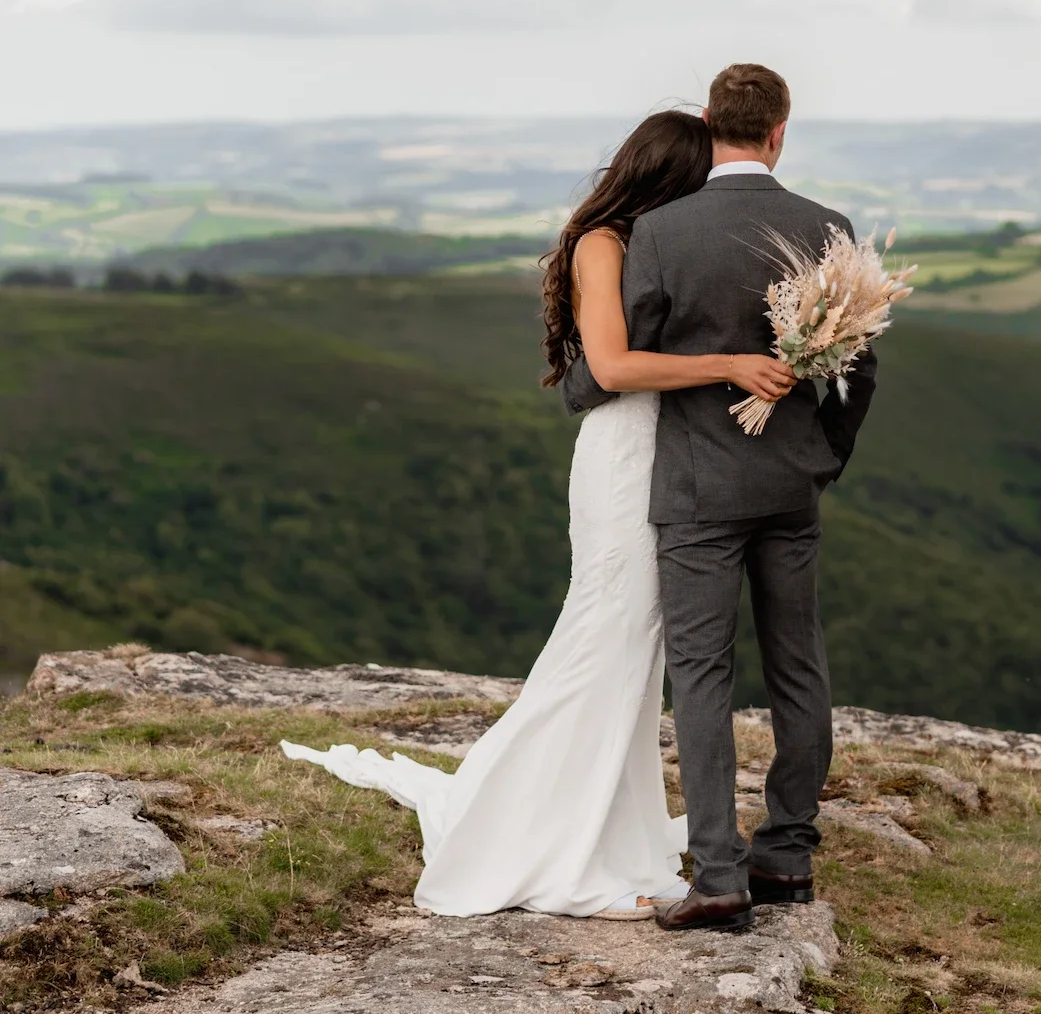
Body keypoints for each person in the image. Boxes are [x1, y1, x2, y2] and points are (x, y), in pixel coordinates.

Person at [280, 108, 796, 920]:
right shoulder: (603, 243)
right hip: (624, 458)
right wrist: (729, 362)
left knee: (634, 646)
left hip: (658, 452)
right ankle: (542, 831)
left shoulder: (646, 240)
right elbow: (614, 363)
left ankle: (603, 822)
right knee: (608, 634)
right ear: (669, 176)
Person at [562, 63, 878, 934]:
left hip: (696, 488)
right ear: (781, 130)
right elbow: (858, 369)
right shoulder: (829, 228)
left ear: (710, 122)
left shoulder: (659, 233)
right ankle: (788, 855)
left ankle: (718, 872)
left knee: (702, 673)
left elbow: (628, 364)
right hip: (788, 488)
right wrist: (819, 459)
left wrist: (578, 385)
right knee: (797, 664)